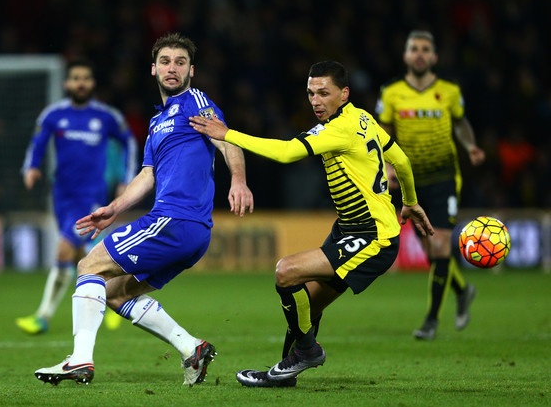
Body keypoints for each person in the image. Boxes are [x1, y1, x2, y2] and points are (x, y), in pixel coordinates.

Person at [189, 60, 434, 387]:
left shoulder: (340, 129)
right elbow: (400, 160)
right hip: (350, 229)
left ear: (344, 94)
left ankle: (306, 352)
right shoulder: (362, 118)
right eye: (310, 93)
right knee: (306, 307)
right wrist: (410, 201)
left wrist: (227, 134)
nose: (315, 101)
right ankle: (285, 372)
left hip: (372, 235)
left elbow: (287, 153)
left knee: (286, 272)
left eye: (324, 93)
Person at [34, 32, 254, 386]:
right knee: (116, 292)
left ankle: (80, 360)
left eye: (180, 62)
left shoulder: (194, 102)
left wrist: (238, 181)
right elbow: (147, 175)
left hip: (175, 219)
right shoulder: (157, 122)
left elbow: (227, 141)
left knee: (89, 265)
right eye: (165, 62)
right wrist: (114, 208)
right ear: (153, 69)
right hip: (190, 232)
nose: (172, 68)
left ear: (192, 71)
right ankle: (192, 348)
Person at [375, 30, 486, 340]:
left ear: (434, 57)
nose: (420, 54)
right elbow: (384, 131)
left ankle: (431, 321)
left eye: (425, 49)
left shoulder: (449, 90)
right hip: (410, 179)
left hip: (443, 177)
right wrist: (387, 166)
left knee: (439, 245)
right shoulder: (392, 92)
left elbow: (461, 123)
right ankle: (462, 291)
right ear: (406, 55)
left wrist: (470, 146)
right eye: (414, 49)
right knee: (430, 249)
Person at [17, 60, 138, 335]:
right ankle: (115, 297)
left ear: (92, 83)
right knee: (81, 257)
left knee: (64, 249)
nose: (80, 83)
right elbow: (38, 142)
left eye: (85, 78)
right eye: (75, 78)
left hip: (91, 195)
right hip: (61, 195)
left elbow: (129, 142)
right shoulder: (54, 114)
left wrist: (126, 179)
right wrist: (31, 167)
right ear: (67, 83)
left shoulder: (105, 116)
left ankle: (43, 316)